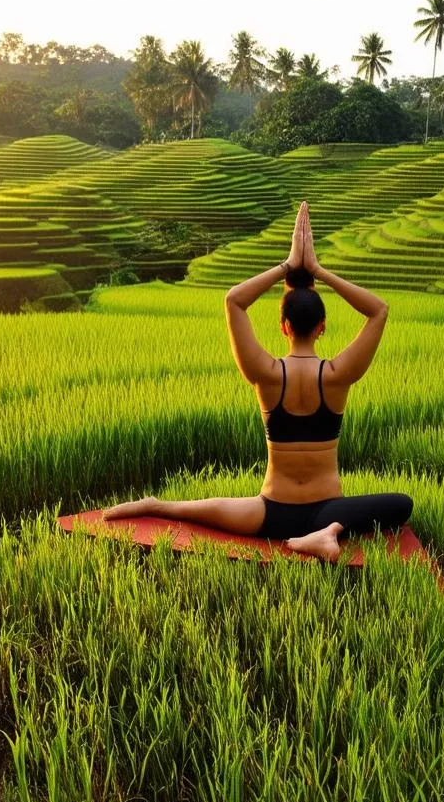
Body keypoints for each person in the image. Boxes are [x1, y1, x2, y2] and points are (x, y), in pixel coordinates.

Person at [102, 200, 413, 559]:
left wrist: (287, 266)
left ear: (283, 326)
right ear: (322, 327)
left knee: (186, 508)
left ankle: (158, 505)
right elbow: (379, 310)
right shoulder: (337, 376)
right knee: (400, 504)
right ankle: (328, 532)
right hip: (326, 510)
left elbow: (234, 300)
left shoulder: (266, 374)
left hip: (269, 513)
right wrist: (318, 271)